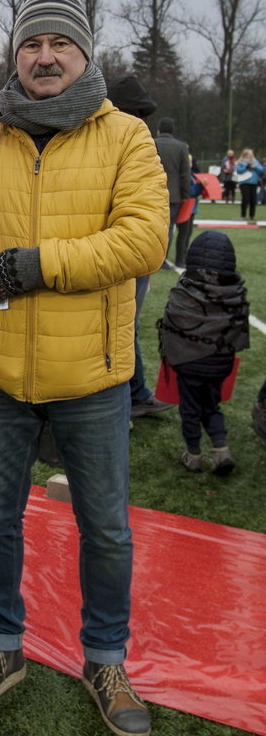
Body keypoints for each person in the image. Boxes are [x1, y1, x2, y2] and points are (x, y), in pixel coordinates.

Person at [0, 0, 168, 736]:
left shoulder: (127, 136)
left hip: (95, 376)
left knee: (104, 528)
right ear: (13, 57)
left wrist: (40, 266)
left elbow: (143, 242)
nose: (43, 56)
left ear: (84, 55)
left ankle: (105, 657)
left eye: (59, 45)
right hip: (0, 370)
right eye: (29, 44)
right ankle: (0, 648)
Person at [106, 73, 171, 420]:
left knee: (127, 323)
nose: (144, 123)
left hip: (129, 251)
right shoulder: (111, 144)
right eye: (139, 115)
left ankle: (135, 393)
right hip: (114, 257)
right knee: (123, 322)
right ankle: (132, 396)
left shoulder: (136, 145)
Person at [158, 230, 249, 476]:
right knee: (212, 406)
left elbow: (171, 323)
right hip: (220, 362)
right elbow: (239, 328)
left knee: (190, 408)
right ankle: (221, 450)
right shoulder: (236, 293)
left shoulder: (183, 292)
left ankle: (194, 455)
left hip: (188, 363)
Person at [154, 118, 191, 268]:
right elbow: (185, 174)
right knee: (168, 228)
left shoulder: (151, 142)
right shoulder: (181, 147)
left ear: (159, 130)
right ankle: (162, 259)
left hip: (153, 192)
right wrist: (185, 195)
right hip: (174, 195)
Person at [235, 148, 263, 224]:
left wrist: (255, 167)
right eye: (248, 154)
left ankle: (252, 215)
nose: (250, 156)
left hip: (254, 182)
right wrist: (247, 166)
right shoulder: (241, 162)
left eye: (251, 154)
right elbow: (239, 171)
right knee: (245, 198)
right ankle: (243, 215)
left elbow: (261, 170)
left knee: (253, 199)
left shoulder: (255, 161)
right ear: (245, 154)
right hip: (244, 182)